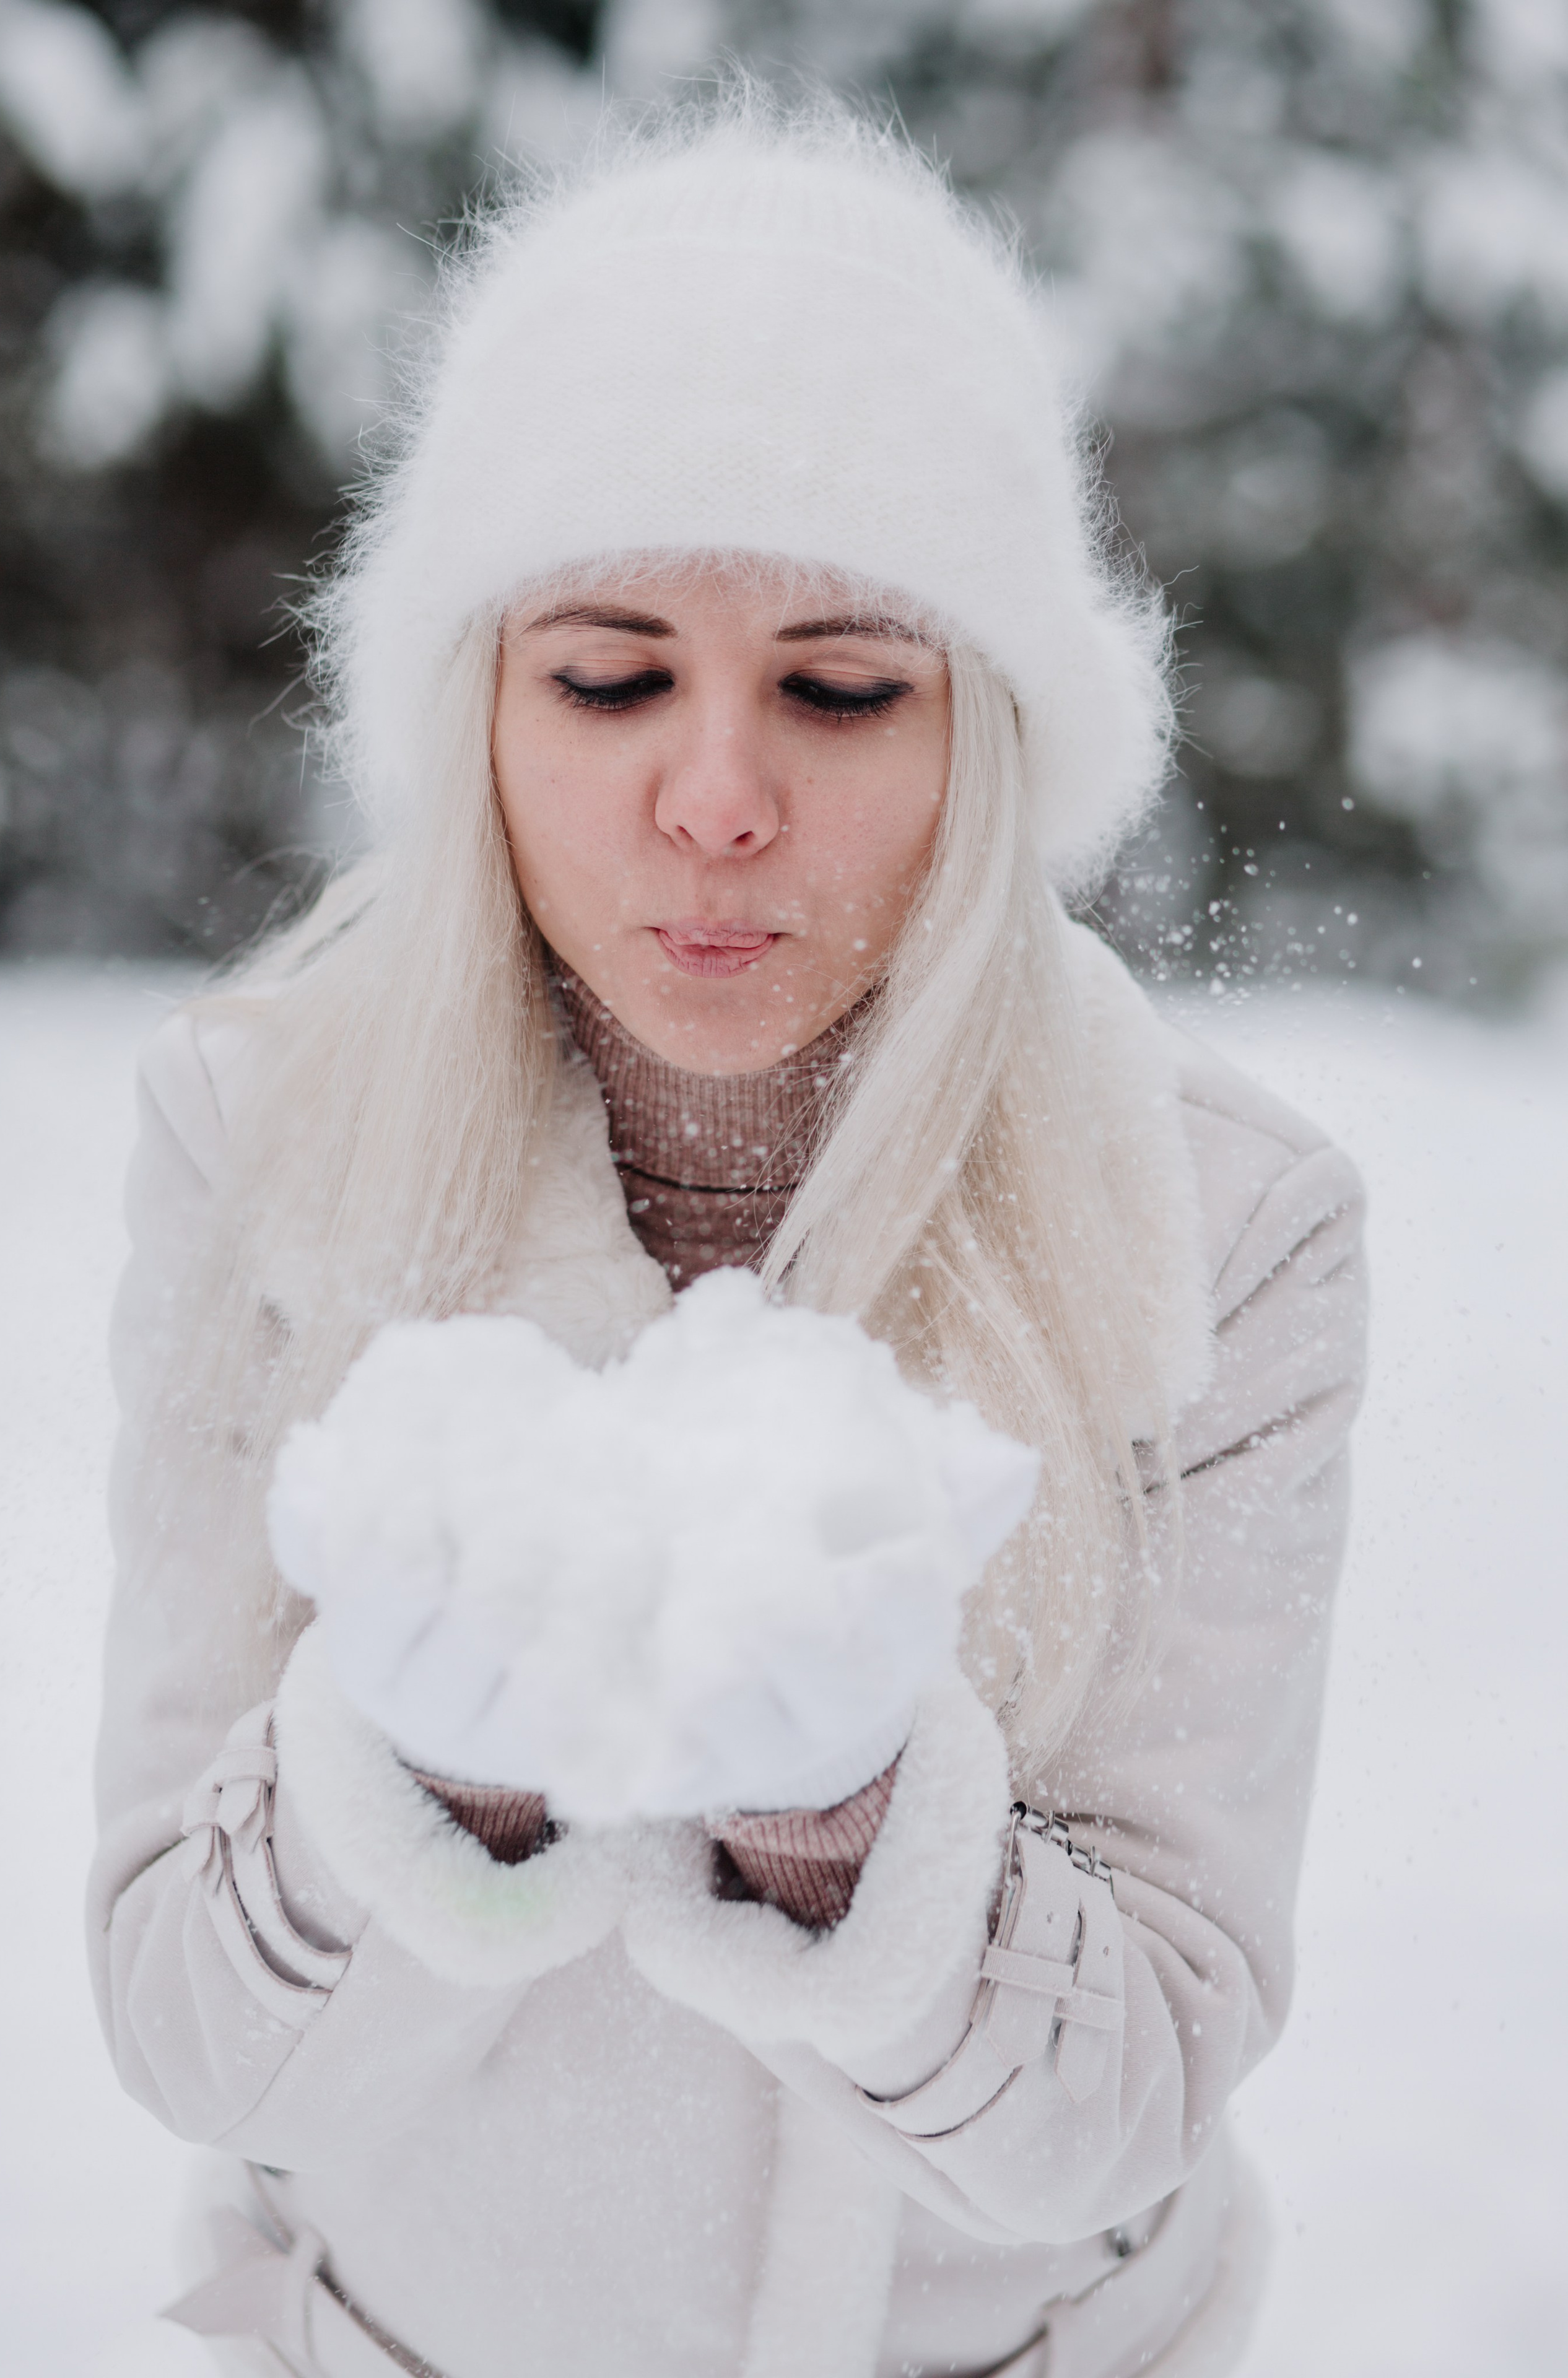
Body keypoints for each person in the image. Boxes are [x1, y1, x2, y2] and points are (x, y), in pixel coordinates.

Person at [89, 95, 1367, 2378]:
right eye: (608, 676)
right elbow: (189, 2029)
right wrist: (420, 1768)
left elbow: (1146, 2079)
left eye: (841, 686)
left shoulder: (1225, 1231)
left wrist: (847, 1820)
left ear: (987, 724)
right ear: (475, 702)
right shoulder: (261, 1136)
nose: (716, 799)